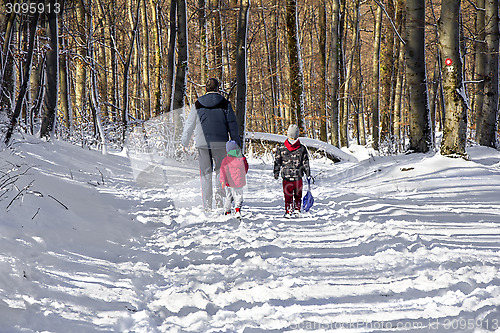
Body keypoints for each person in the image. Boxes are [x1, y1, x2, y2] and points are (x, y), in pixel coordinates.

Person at [181, 78, 241, 211]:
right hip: (221, 144)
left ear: (206, 89)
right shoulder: (225, 104)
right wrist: (236, 143)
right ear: (218, 89)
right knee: (220, 172)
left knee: (205, 174)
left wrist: (184, 141)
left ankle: (207, 205)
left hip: (202, 144)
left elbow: (190, 124)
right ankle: (219, 199)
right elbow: (232, 125)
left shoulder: (198, 103)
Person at [273, 124, 311, 218]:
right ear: (297, 135)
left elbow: (277, 161)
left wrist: (276, 172)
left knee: (288, 194)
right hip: (298, 177)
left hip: (286, 177)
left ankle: (288, 210)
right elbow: (305, 162)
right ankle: (297, 209)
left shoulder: (281, 148)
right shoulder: (302, 148)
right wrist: (308, 173)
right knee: (298, 194)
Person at [219, 140, 249, 218]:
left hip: (229, 182)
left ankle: (227, 211)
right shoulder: (242, 158)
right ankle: (237, 210)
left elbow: (223, 171)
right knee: (238, 196)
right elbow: (246, 168)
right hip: (239, 182)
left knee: (229, 196)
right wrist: (242, 175)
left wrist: (222, 181)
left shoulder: (226, 160)